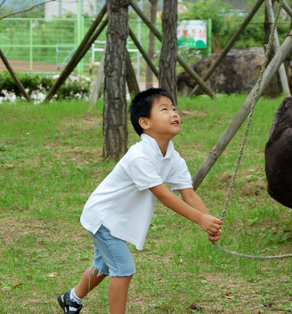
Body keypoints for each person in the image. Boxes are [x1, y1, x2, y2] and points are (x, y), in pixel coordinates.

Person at [58, 87, 223, 313]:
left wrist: (209, 221)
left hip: (115, 218)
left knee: (104, 265)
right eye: (164, 109)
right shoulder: (139, 156)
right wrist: (201, 220)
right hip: (103, 217)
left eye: (174, 108)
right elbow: (164, 195)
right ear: (145, 123)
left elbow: (189, 194)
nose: (174, 113)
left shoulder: (172, 157)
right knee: (123, 269)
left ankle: (72, 298)